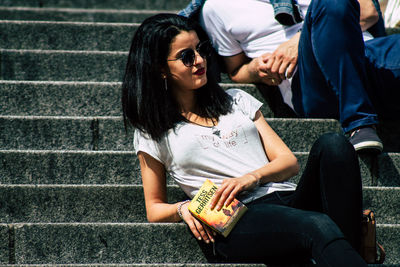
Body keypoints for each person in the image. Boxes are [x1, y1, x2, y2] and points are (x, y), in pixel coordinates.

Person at [122, 13, 368, 265]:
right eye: (186, 56)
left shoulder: (236, 100)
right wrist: (183, 208)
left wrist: (250, 178)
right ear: (160, 69)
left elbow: (288, 162)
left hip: (286, 197)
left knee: (334, 145)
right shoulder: (152, 131)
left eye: (202, 49)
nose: (199, 60)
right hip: (236, 217)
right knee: (316, 223)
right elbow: (154, 208)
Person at [181, 0, 400, 153]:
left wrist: (300, 39)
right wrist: (256, 69)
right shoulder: (216, 8)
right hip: (310, 81)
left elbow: (369, 10)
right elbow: (235, 71)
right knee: (330, 2)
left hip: (369, 54)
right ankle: (358, 123)